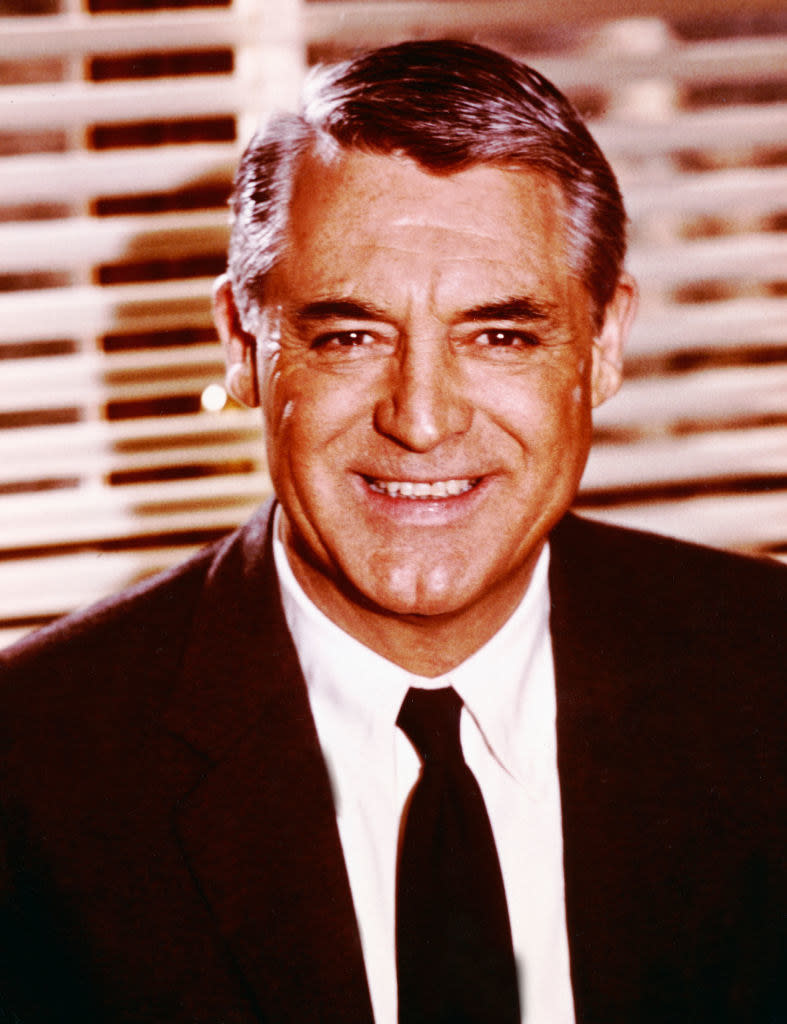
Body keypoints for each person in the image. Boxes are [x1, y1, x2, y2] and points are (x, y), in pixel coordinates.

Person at [0, 39, 784, 1024]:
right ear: (244, 347)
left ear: (605, 343)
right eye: (348, 336)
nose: (421, 418)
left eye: (499, 334)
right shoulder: (31, 778)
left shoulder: (765, 679)